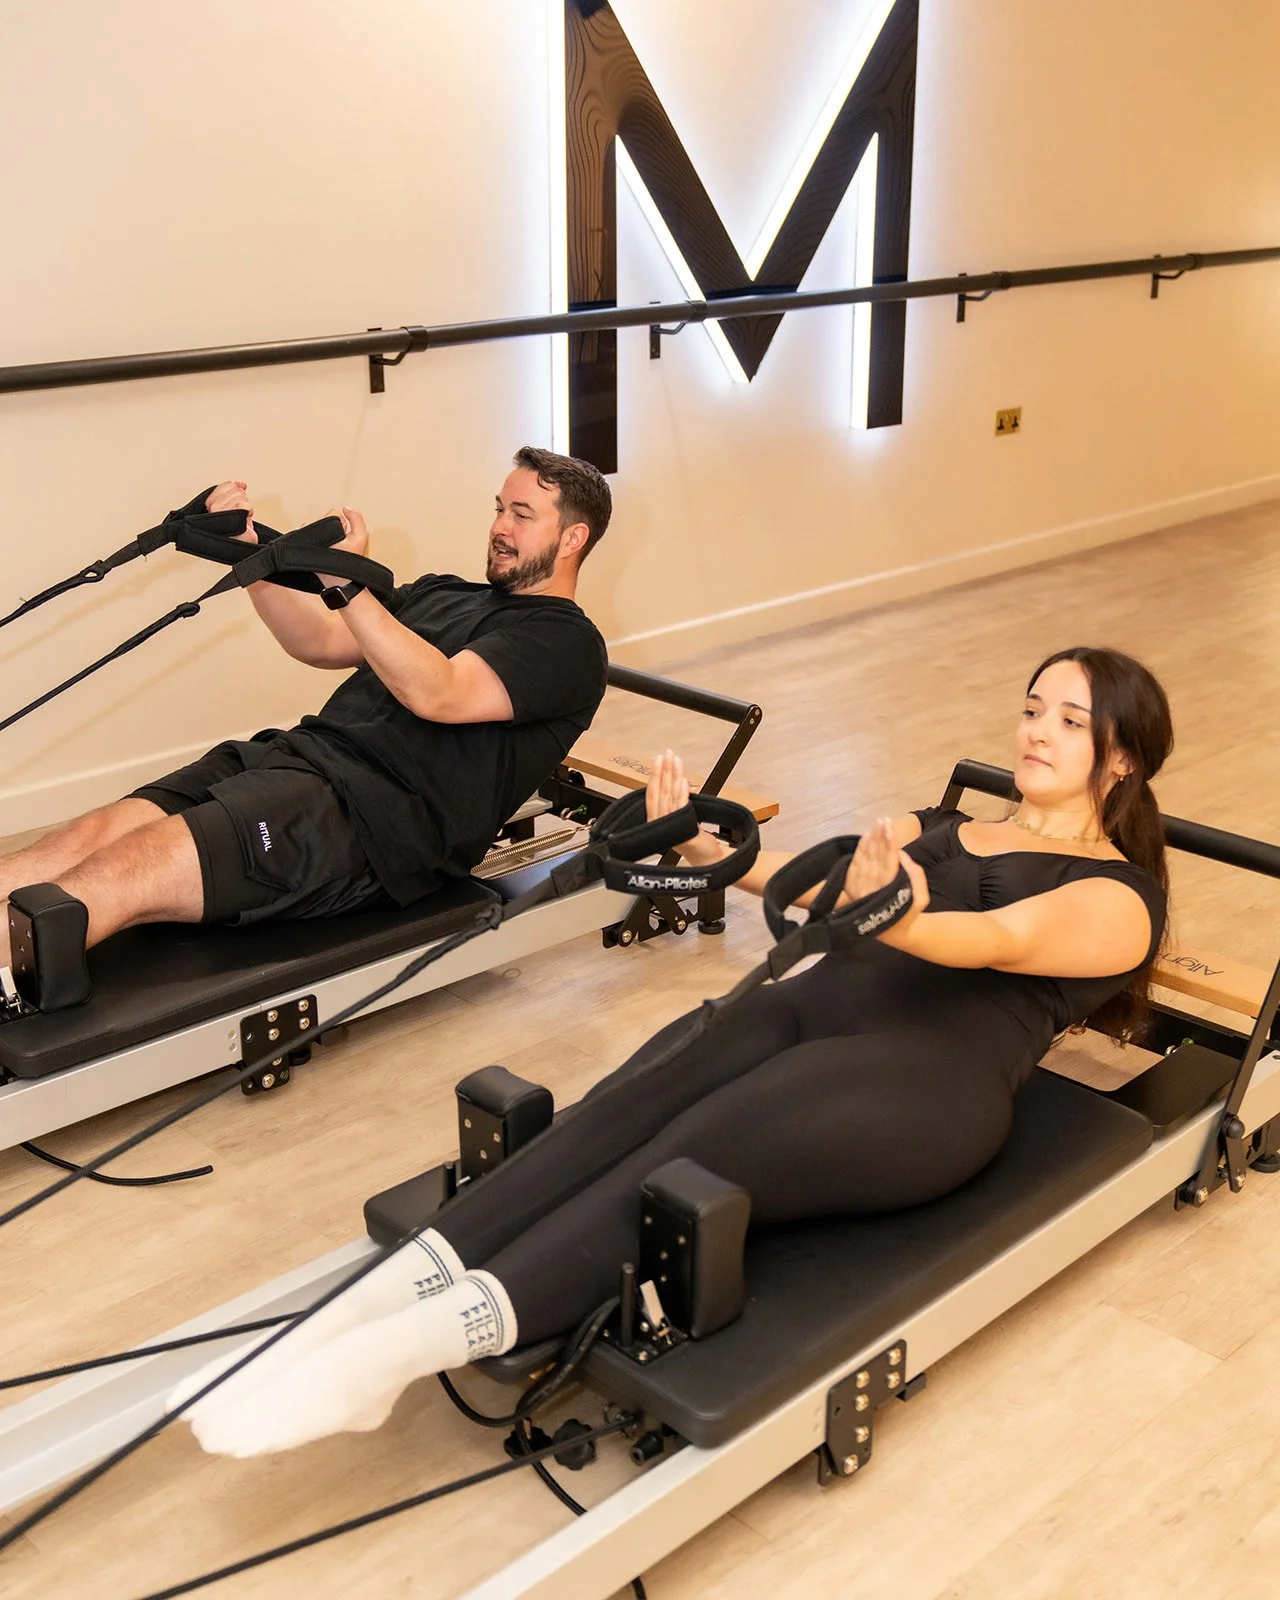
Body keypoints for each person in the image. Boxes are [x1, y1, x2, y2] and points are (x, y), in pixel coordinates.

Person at [177, 645, 1172, 1459]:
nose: (1036, 730)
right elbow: (816, 876)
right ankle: (373, 1301)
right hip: (808, 1007)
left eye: (1069, 719)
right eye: (1032, 706)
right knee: (621, 1105)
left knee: (697, 1144)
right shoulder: (945, 823)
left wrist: (897, 907)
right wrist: (699, 844)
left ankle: (398, 1354)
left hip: (923, 1084)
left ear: (1121, 756)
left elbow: (986, 942)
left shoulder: (1118, 899)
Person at [0, 446, 610, 966]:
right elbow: (319, 642)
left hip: (370, 821)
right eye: (500, 508)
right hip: (296, 759)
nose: (501, 526)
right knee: (91, 835)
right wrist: (247, 555)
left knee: (132, 865)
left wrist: (343, 578)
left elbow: (439, 691)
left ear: (572, 537)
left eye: (522, 514)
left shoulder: (567, 643)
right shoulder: (444, 593)